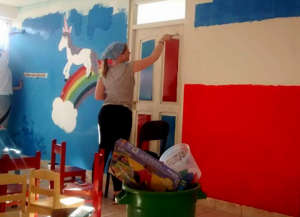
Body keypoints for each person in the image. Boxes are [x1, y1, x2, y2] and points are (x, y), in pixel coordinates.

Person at [95, 34, 173, 198]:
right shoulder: (129, 67)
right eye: (127, 51)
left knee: (103, 149)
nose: (130, 53)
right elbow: (153, 57)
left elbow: (98, 96)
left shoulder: (104, 71)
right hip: (122, 113)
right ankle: (117, 193)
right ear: (120, 55)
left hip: (106, 112)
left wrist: (113, 96)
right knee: (120, 153)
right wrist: (161, 40)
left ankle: (95, 188)